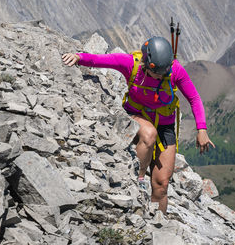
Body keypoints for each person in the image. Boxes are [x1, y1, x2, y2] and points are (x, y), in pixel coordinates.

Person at [62, 36, 213, 216]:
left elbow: (194, 98)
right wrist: (79, 57)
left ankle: (157, 223)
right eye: (157, 73)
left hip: (165, 126)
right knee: (149, 133)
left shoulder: (174, 70)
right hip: (135, 117)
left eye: (163, 73)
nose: (160, 77)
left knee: (162, 184)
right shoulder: (131, 64)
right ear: (146, 62)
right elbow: (101, 60)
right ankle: (137, 181)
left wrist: (201, 129)